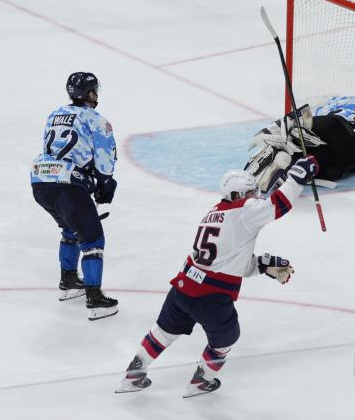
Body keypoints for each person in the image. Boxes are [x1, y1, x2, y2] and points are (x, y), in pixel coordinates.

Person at [115, 156, 319, 398]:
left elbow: (230, 262)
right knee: (227, 337)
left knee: (163, 331)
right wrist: (298, 175)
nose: (255, 196)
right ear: (236, 195)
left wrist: (262, 265)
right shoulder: (243, 211)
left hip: (182, 287)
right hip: (211, 297)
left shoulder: (213, 213)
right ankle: (201, 381)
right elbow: (279, 203)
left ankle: (132, 375)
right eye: (250, 192)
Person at [30, 72, 119, 321]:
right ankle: (95, 298)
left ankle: (68, 281)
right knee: (92, 238)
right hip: (67, 183)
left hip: (40, 180)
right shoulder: (97, 120)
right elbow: (104, 159)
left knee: (71, 227)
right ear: (91, 94)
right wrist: (105, 183)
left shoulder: (55, 114)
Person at [245, 92, 355, 195]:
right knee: (329, 168)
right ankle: (300, 167)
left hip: (335, 123)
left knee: (310, 128)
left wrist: (317, 123)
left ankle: (289, 132)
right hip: (352, 152)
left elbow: (327, 107)